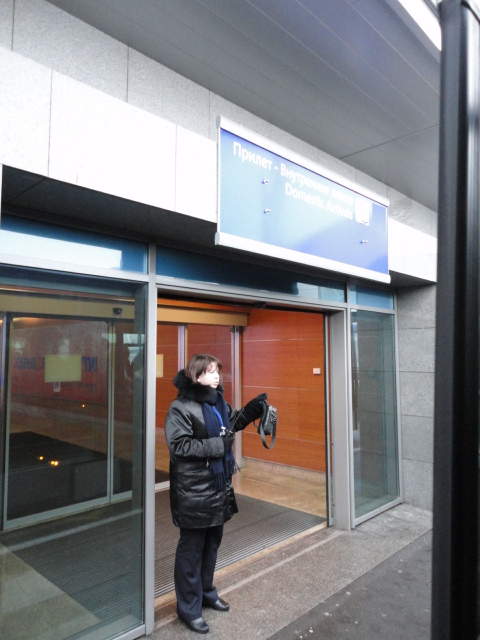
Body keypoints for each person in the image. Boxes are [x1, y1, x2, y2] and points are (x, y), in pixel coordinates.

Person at [165, 353, 267, 634]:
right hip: (194, 492)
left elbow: (232, 423)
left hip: (217, 488)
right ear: (196, 376)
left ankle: (207, 593)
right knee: (191, 552)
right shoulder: (180, 407)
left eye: (217, 371)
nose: (217, 376)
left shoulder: (218, 403)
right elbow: (179, 447)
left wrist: (254, 409)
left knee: (211, 546)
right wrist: (217, 446)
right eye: (210, 371)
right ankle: (189, 608)